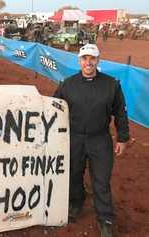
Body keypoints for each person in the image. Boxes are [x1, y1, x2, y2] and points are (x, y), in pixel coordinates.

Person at [53, 44, 129, 237]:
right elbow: (54, 109)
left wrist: (123, 138)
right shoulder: (67, 84)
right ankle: (75, 203)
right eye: (85, 58)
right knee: (73, 174)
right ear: (79, 61)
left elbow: (120, 112)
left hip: (100, 139)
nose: (88, 62)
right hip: (74, 138)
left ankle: (105, 219)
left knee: (101, 181)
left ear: (98, 60)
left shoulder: (111, 84)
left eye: (92, 58)